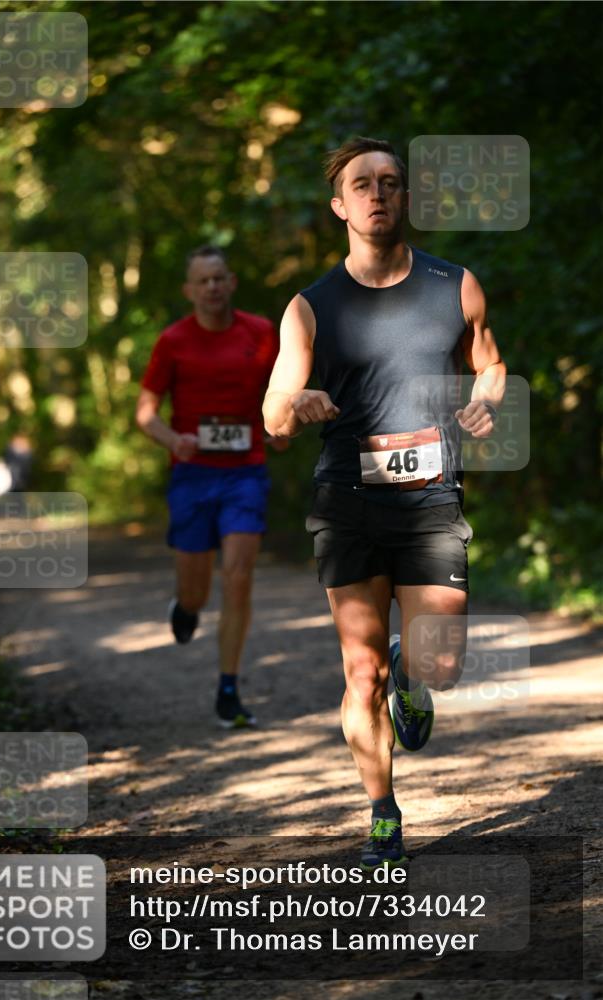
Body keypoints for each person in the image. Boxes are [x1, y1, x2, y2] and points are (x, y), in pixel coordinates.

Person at [263, 137, 506, 867]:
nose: (377, 194)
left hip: (431, 495)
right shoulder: (309, 308)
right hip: (348, 501)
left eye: (391, 183)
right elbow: (272, 415)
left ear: (404, 199)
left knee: (439, 664)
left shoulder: (453, 285)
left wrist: (486, 399)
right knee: (359, 672)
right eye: (362, 184)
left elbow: (489, 364)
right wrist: (294, 405)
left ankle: (414, 671)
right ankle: (381, 814)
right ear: (339, 205)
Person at [136, 245, 287, 728]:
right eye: (203, 281)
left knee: (238, 575)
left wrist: (280, 428)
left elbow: (283, 394)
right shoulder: (173, 341)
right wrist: (172, 439)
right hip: (192, 474)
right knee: (197, 590)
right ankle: (186, 605)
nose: (213, 287)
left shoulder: (262, 334)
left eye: (219, 278)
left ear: (232, 282)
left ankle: (228, 687)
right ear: (189, 290)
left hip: (245, 472)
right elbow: (145, 414)